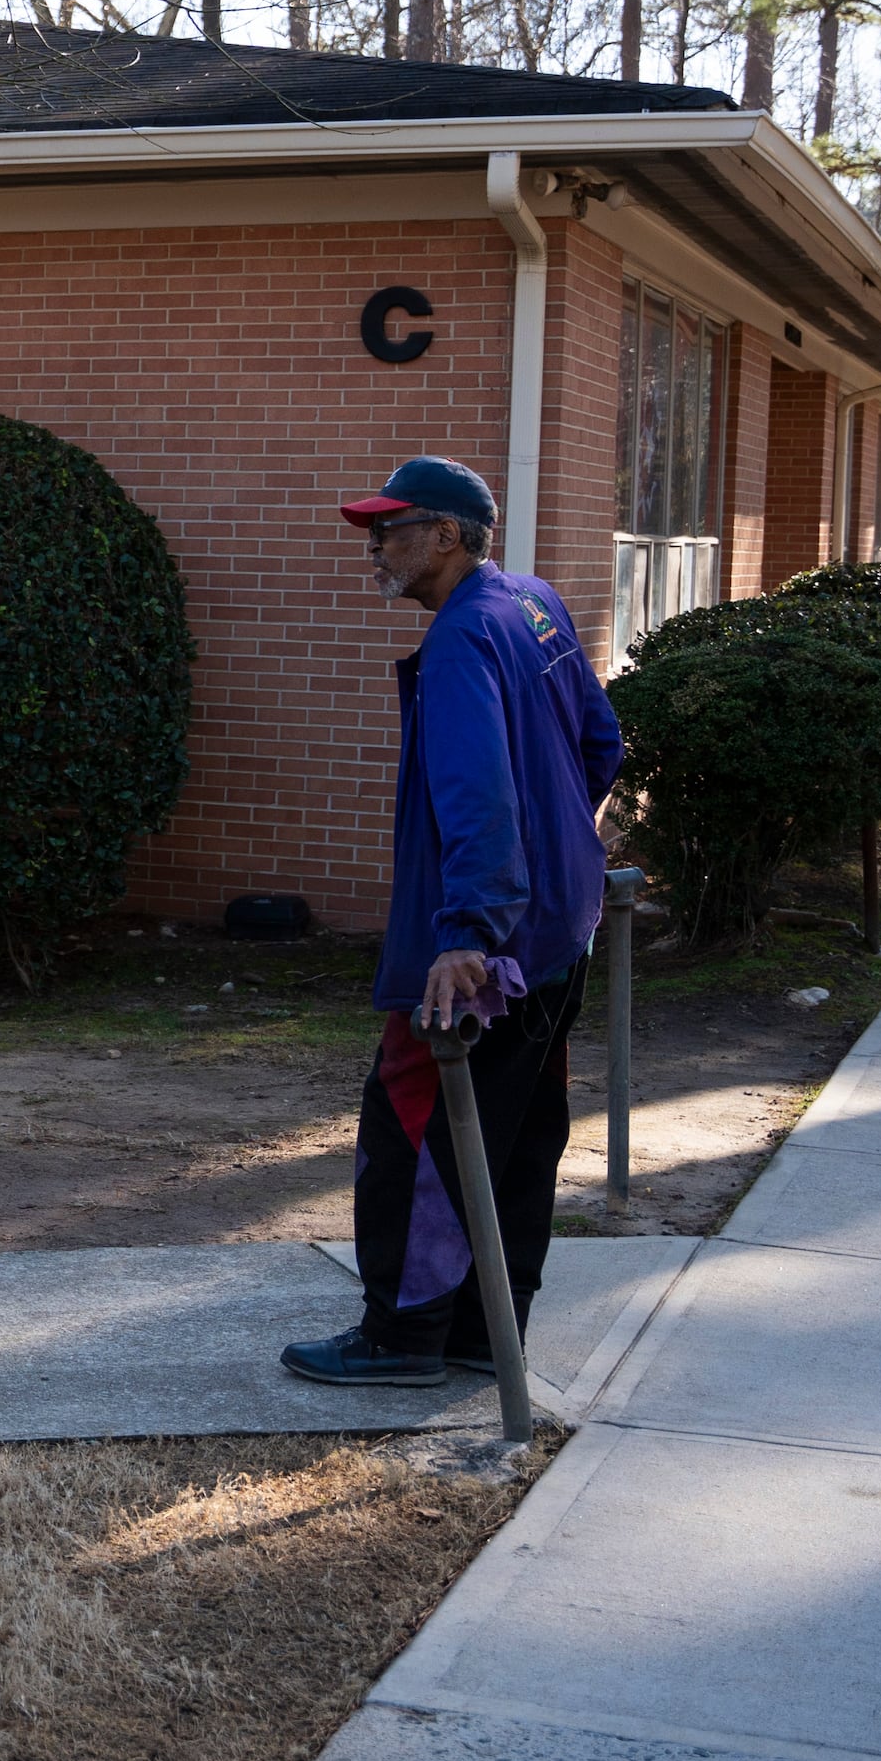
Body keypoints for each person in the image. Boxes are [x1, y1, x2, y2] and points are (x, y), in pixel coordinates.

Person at [283, 457, 623, 1388]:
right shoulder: (535, 602)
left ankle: (402, 1338)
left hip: (487, 950)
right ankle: (487, 1328)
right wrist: (555, 856)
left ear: (445, 534)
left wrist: (469, 929)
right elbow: (604, 741)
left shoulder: (462, 640)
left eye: (389, 530)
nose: (373, 550)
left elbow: (475, 796)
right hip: (560, 929)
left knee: (415, 1129)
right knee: (519, 1131)